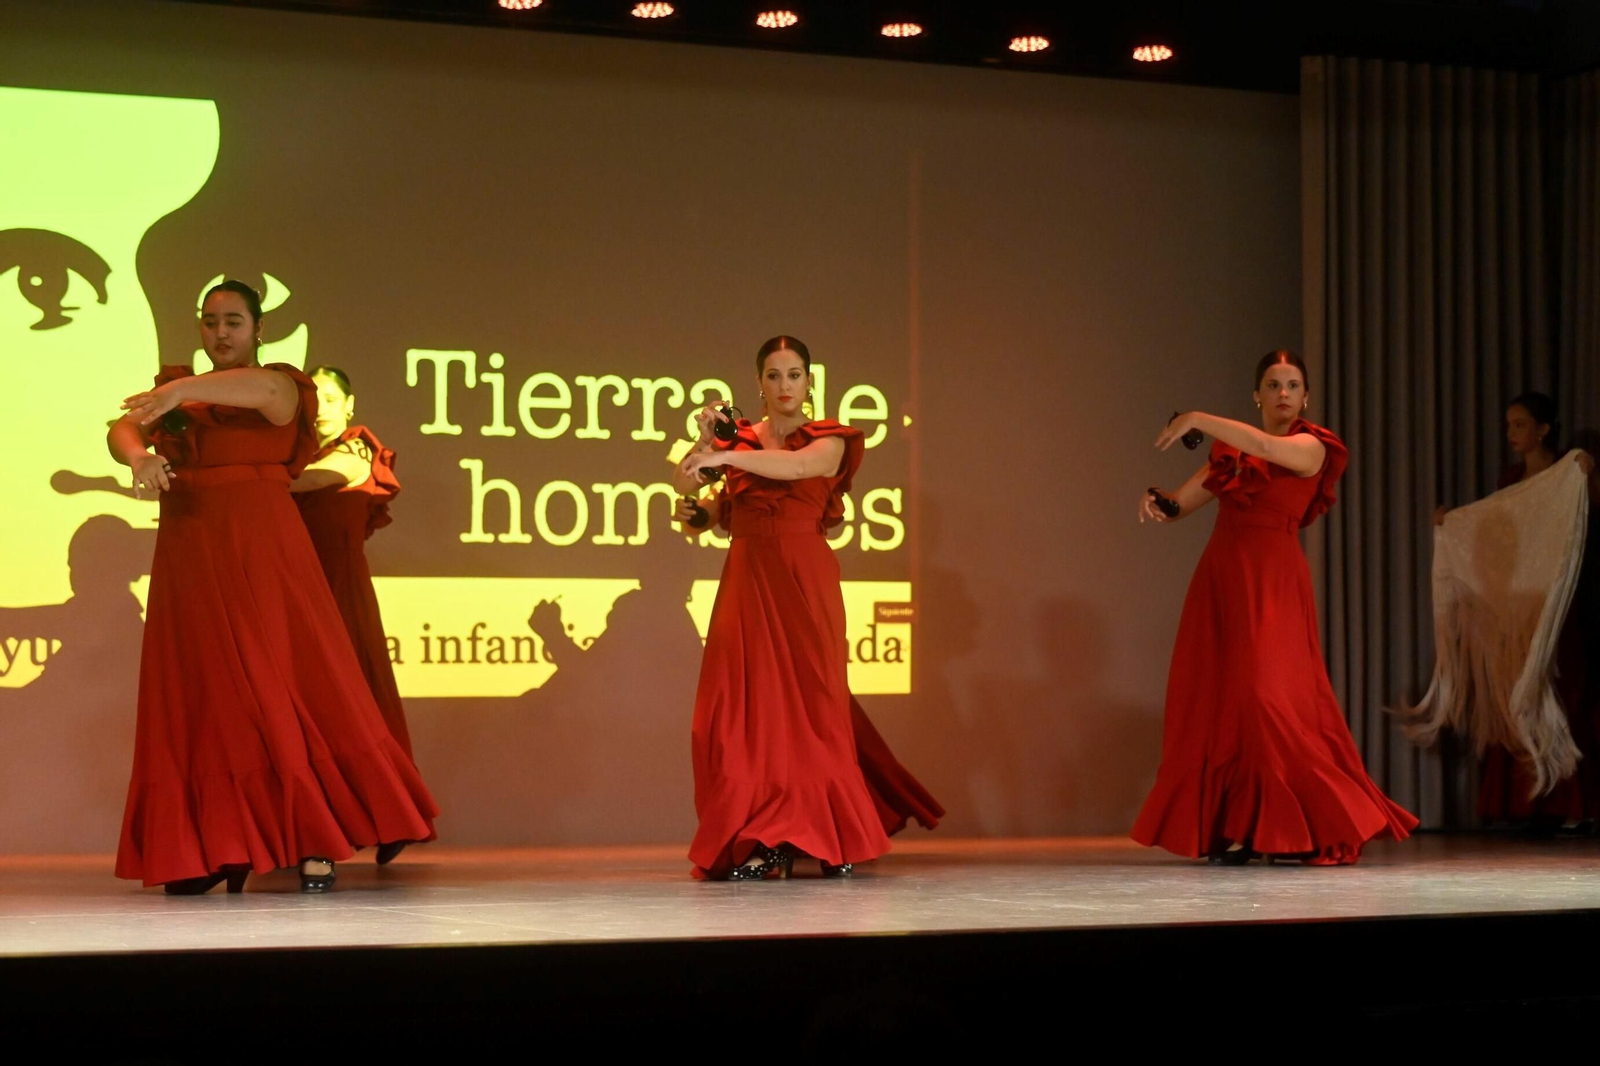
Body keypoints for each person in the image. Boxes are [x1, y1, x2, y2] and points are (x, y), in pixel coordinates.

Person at [109, 280, 437, 894]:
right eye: (210, 322)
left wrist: (177, 392)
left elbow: (268, 398)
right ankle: (216, 847)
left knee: (284, 680)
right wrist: (139, 457)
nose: (220, 332)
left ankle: (316, 837)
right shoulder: (180, 387)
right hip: (189, 544)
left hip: (261, 544)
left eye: (233, 321)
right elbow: (124, 429)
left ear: (258, 329)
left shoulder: (281, 381)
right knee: (206, 693)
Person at [1131, 349, 1417, 864]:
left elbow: (1265, 445)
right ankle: (1242, 827)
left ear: (1305, 397)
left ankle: (1298, 824)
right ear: (1257, 395)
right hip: (1222, 578)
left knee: (1267, 697)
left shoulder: (1312, 446)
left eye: (1292, 385)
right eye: (1272, 384)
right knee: (1228, 703)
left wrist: (1197, 418)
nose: (1283, 393)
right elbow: (1179, 506)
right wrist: (1158, 501)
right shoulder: (1229, 453)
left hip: (1273, 581)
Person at [673, 335, 941, 879]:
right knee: (736, 715)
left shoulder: (830, 439)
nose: (784, 386)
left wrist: (725, 453)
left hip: (804, 578)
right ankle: (762, 834)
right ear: (760, 383)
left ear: (809, 381)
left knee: (812, 710)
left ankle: (824, 835)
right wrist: (704, 447)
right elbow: (692, 489)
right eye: (774, 376)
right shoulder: (741, 441)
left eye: (794, 375)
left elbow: (796, 470)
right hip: (747, 580)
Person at [1436, 393, 1599, 831]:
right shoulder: (1512, 480)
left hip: (1559, 602)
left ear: (1544, 429)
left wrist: (1583, 471)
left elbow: (1581, 522)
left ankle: (1570, 805)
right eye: (1509, 425)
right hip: (1521, 602)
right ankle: (1526, 805)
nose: (1512, 433)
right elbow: (1494, 530)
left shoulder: (1569, 468)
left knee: (1563, 693)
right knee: (1520, 695)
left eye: (1521, 424)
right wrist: (1453, 521)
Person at [289, 365, 418, 864]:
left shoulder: (354, 452)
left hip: (340, 595)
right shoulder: (298, 455)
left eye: (329, 397)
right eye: (312, 398)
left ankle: (389, 814)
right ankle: (318, 824)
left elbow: (306, 483)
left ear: (349, 405)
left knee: (350, 706)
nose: (320, 406)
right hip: (300, 594)